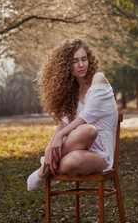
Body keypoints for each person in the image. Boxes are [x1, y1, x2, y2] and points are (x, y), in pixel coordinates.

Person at [27, 38, 118, 191]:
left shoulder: (98, 79)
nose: (81, 65)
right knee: (81, 136)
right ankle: (48, 164)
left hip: (100, 153)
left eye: (84, 59)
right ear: (66, 66)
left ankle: (44, 169)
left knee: (87, 130)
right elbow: (62, 124)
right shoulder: (70, 92)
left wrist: (59, 136)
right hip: (76, 146)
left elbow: (85, 117)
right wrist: (51, 145)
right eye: (75, 61)